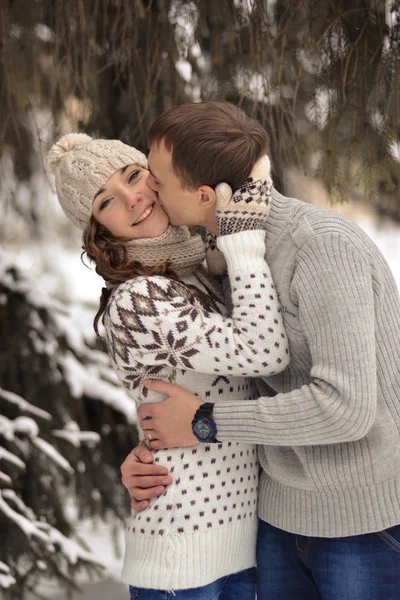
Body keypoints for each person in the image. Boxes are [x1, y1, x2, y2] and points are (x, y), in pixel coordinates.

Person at [123, 101, 400, 600]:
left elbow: (345, 409)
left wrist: (206, 423)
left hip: (362, 526)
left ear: (204, 195)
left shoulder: (321, 247)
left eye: (157, 177)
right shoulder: (227, 255)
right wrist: (148, 449)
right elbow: (221, 374)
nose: (147, 185)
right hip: (274, 519)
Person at [47, 131, 290, 599]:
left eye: (134, 176)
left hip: (243, 546)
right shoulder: (139, 300)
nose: (133, 198)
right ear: (100, 231)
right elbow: (264, 352)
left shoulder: (194, 270)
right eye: (106, 202)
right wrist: (242, 241)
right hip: (182, 560)